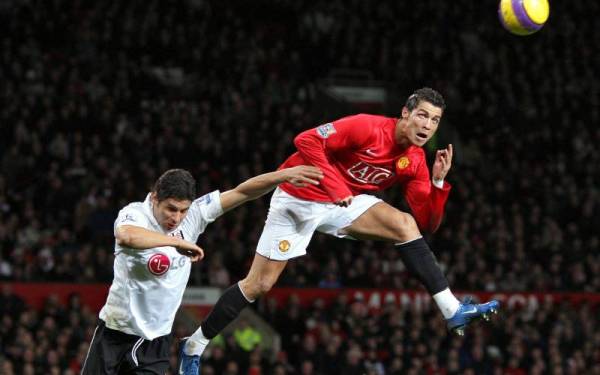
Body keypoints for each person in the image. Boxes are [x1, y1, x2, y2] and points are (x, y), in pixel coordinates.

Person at [179, 87, 500, 374]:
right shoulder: (367, 126)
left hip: (344, 202)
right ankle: (194, 345)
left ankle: (452, 309)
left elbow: (427, 224)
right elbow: (306, 140)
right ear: (406, 113)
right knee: (258, 285)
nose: (428, 126)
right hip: (299, 194)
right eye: (422, 116)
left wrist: (438, 182)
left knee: (405, 225)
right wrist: (333, 186)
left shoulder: (415, 161)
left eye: (435, 120)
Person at [80, 166, 323, 374]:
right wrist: (177, 242)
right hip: (114, 333)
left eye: (183, 210)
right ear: (154, 198)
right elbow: (127, 236)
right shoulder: (135, 214)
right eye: (171, 209)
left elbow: (242, 192)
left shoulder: (194, 215)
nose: (177, 218)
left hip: (155, 343)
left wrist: (283, 175)